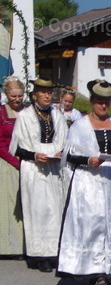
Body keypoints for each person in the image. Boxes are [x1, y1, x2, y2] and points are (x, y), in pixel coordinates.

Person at [56, 80, 111, 285]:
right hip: (88, 181)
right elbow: (69, 156)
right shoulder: (80, 126)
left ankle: (108, 269)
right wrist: (88, 160)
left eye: (107, 102)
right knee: (91, 224)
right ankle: (90, 269)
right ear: (93, 101)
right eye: (99, 102)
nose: (103, 106)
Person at [9, 78, 68, 272]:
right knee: (38, 209)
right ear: (35, 95)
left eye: (49, 93)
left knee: (55, 209)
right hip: (34, 168)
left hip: (53, 167)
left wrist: (59, 152)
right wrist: (34, 155)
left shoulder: (57, 115)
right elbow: (16, 148)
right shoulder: (25, 116)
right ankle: (39, 254)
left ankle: (53, 252)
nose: (46, 96)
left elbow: (64, 139)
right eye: (43, 92)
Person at [0, 77, 25, 257]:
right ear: (7, 95)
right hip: (7, 162)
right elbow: (0, 142)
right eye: (13, 96)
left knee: (25, 205)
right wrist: (14, 160)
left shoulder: (28, 112)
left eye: (20, 96)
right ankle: (6, 246)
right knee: (7, 205)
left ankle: (24, 246)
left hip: (27, 162)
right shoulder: (1, 112)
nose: (17, 99)